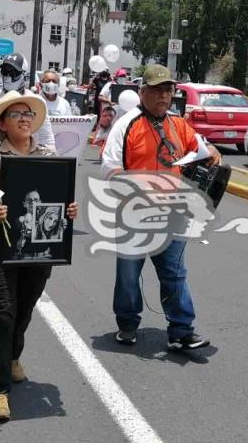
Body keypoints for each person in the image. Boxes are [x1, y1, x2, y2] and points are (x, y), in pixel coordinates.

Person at [0, 90, 78, 421]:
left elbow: (57, 199)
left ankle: (13, 357)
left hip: (38, 248)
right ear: (2, 124)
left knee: (24, 308)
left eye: (29, 114)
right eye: (16, 115)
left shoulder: (48, 156)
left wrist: (69, 210)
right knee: (2, 314)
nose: (25, 119)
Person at [102, 64, 222, 349]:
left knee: (175, 273)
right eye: (157, 90)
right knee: (129, 274)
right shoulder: (126, 124)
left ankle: (181, 330)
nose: (164, 97)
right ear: (143, 92)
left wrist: (212, 153)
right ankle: (128, 323)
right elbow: (110, 168)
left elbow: (200, 149)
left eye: (168, 91)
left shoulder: (178, 124)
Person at [0, 53, 56, 309]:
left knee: (22, 220)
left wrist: (50, 172)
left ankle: (22, 271)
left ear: (24, 74)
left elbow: (48, 141)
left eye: (13, 72)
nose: (8, 76)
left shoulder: (35, 105)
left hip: (25, 168)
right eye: (4, 71)